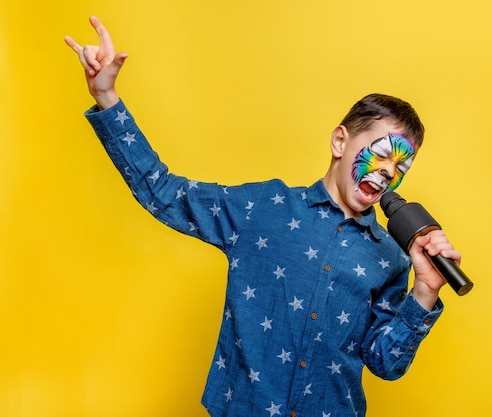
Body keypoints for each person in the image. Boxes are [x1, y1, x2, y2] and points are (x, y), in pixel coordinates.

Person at [65, 16, 461, 417]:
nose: (388, 172)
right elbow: (164, 192)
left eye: (401, 167)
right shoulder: (263, 208)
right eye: (381, 153)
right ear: (340, 141)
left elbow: (385, 363)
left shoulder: (391, 257)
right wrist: (107, 98)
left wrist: (425, 291)